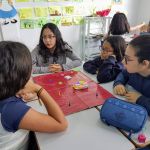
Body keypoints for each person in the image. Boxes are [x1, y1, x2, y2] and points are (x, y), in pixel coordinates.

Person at [0, 41, 68, 150]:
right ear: (19, 73)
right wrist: (39, 89)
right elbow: (61, 124)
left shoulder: (6, 94)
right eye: (29, 66)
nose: (31, 69)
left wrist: (21, 95)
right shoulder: (12, 109)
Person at [113, 35, 150, 116]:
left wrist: (140, 100)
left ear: (144, 64)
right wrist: (118, 83)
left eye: (127, 59)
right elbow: (123, 74)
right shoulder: (133, 71)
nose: (122, 62)